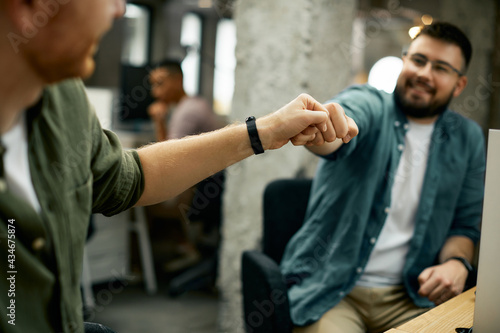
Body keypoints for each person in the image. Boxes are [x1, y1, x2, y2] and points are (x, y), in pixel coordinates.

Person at [0, 0, 358, 332]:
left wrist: (266, 130)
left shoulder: (65, 97)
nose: (119, 9)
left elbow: (127, 176)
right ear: (31, 6)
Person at [280, 22, 485, 333]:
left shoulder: (467, 138)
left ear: (459, 85)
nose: (424, 74)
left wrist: (457, 263)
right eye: (418, 60)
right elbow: (342, 126)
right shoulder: (371, 104)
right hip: (333, 290)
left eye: (441, 68)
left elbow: (464, 226)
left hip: (411, 296)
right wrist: (324, 130)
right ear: (405, 61)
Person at [146, 59, 224, 272]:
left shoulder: (186, 113)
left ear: (178, 80)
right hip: (205, 187)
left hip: (201, 192)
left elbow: (165, 157)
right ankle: (187, 246)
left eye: (160, 84)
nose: (155, 92)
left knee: (140, 203)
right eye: (153, 85)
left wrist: (158, 121)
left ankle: (141, 266)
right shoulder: (194, 104)